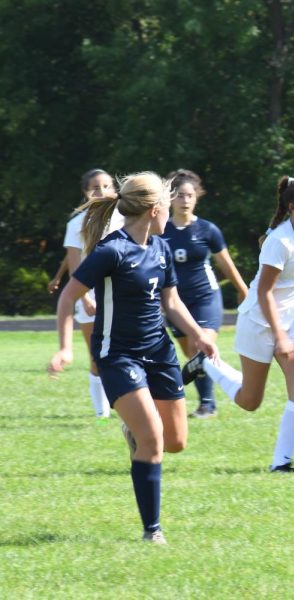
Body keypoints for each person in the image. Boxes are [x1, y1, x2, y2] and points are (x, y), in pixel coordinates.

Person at [48, 172, 219, 544]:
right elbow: (67, 297)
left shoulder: (159, 248)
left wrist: (199, 335)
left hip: (160, 353)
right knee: (154, 438)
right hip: (119, 355)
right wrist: (66, 347)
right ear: (156, 208)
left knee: (175, 442)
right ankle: (152, 531)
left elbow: (171, 302)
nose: (173, 208)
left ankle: (133, 430)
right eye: (168, 202)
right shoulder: (112, 250)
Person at [181, 176, 294, 473]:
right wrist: (279, 336)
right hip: (259, 322)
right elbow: (264, 292)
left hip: (291, 319)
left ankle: (281, 462)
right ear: (293, 207)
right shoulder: (279, 241)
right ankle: (207, 364)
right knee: (250, 401)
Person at [161, 169, 248, 418]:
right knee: (193, 356)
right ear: (170, 199)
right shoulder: (160, 230)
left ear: (196, 197)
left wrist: (243, 290)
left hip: (205, 297)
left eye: (189, 195)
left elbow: (226, 264)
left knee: (203, 348)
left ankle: (209, 403)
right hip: (175, 302)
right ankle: (199, 400)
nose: (185, 200)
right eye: (179, 195)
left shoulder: (208, 229)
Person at [61, 169, 126, 420]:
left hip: (121, 294)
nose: (101, 192)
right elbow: (75, 266)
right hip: (91, 297)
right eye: (95, 188)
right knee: (97, 356)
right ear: (85, 192)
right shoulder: (76, 224)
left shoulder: (124, 218)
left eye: (107, 186)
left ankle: (125, 403)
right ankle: (101, 414)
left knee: (124, 352)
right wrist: (84, 297)